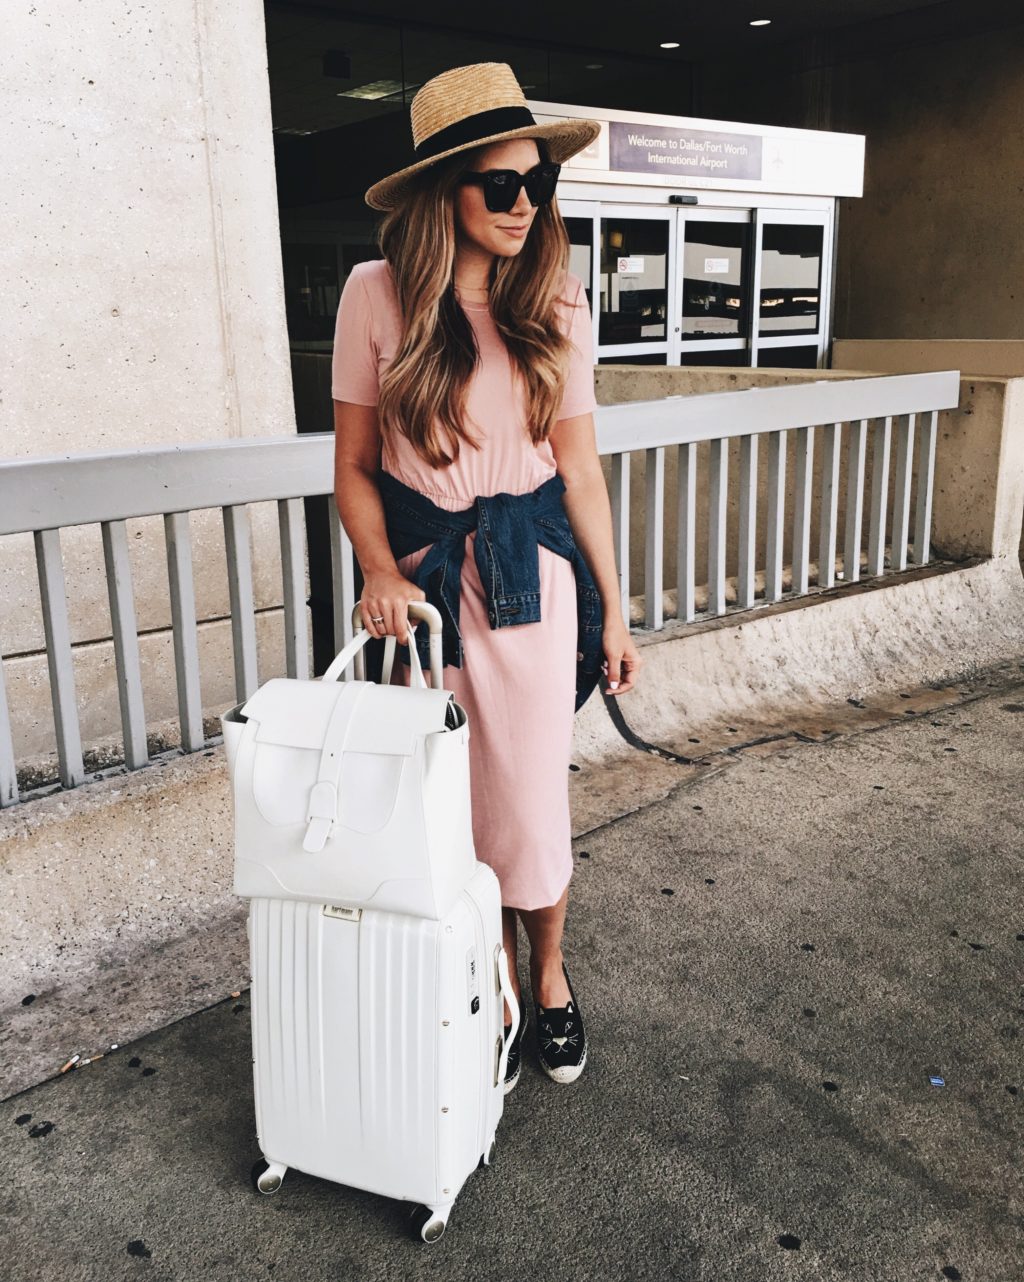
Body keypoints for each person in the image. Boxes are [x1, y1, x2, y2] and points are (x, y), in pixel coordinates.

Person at [331, 62, 644, 1092]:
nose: (524, 205)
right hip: (422, 601)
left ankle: (546, 982)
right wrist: (376, 568)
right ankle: (485, 989)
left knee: (527, 806)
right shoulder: (375, 297)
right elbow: (353, 468)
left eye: (537, 185)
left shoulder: (553, 301)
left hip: (533, 590)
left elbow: (583, 472)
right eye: (500, 187)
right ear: (445, 192)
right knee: (444, 811)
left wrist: (618, 612)